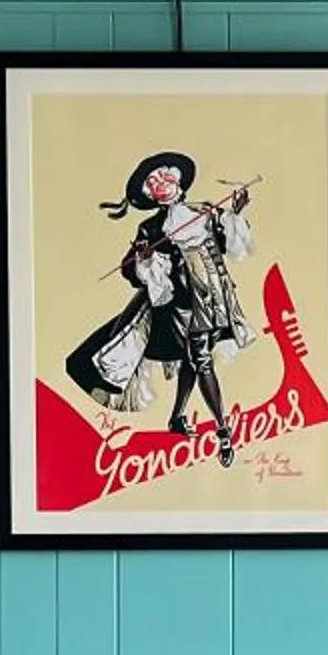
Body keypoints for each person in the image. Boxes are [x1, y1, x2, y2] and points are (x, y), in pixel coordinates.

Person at [66, 153, 257, 466]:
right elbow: (130, 273)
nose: (160, 184)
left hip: (218, 297)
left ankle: (177, 417)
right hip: (183, 303)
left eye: (163, 176)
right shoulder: (151, 227)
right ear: (149, 195)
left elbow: (229, 247)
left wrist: (234, 215)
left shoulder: (205, 211)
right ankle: (224, 431)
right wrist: (142, 260)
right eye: (152, 183)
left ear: (178, 179)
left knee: (194, 360)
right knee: (201, 359)